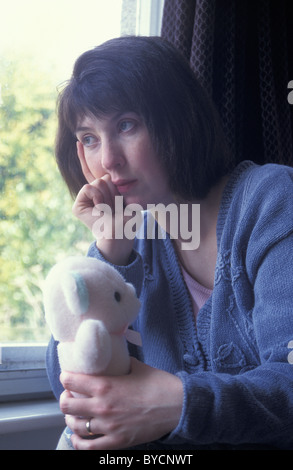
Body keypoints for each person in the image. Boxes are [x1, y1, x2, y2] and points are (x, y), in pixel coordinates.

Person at [46, 35, 293, 450]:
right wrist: (110, 256)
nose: (107, 160)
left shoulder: (272, 200)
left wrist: (177, 405)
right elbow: (73, 393)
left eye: (126, 125)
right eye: (89, 138)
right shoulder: (130, 241)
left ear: (178, 120)